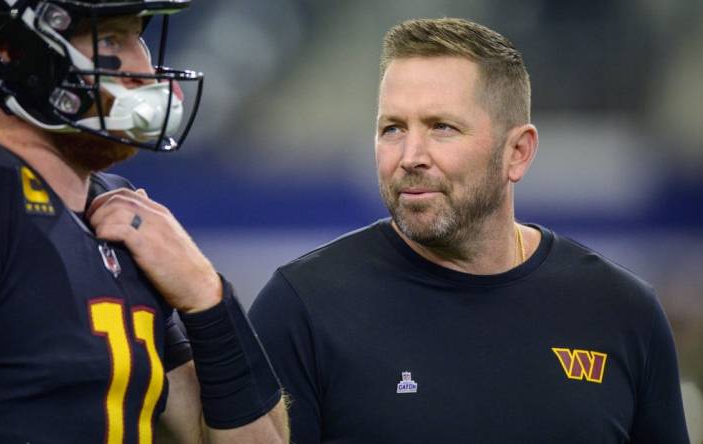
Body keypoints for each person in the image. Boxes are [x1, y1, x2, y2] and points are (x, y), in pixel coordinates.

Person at [249, 17, 690, 443]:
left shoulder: (623, 313)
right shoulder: (302, 308)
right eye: (392, 129)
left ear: (517, 152)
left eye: (442, 127)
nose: (411, 156)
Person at [0, 1, 287, 443]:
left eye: (138, 37)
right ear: (10, 51)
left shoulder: (118, 220)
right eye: (110, 39)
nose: (141, 65)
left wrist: (208, 297)